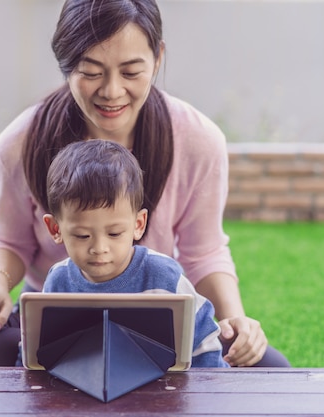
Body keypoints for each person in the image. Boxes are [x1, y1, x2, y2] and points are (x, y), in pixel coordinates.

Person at [0, 0, 290, 367]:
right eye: (91, 71)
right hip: (58, 313)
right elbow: (9, 238)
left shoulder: (199, 140)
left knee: (272, 371)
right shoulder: (22, 142)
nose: (112, 91)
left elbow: (205, 251)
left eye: (132, 71)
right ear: (66, 62)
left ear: (158, 58)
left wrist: (235, 319)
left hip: (155, 314)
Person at [41, 139, 228, 368]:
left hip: (165, 393)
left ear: (138, 224)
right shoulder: (58, 282)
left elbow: (203, 340)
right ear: (56, 229)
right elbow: (41, 350)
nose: (99, 248)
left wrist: (204, 389)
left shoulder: (163, 277)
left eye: (115, 233)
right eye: (82, 236)